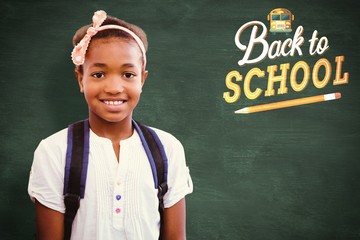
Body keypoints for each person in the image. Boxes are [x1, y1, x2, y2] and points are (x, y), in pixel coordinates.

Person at [28, 10, 193, 240]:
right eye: (98, 74)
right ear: (80, 78)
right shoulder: (54, 151)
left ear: (142, 79)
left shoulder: (168, 149)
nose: (114, 87)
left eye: (127, 74)